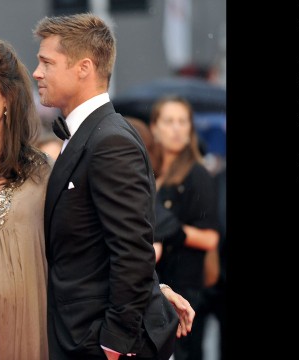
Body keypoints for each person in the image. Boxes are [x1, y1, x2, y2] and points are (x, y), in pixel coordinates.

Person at [0, 36, 193, 360]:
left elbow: (88, 250)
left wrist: (155, 291)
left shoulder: (45, 173)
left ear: (8, 97)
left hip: (24, 334)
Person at [33, 13, 184, 359]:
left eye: (46, 62)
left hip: (98, 342)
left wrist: (114, 341)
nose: (37, 72)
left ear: (83, 67)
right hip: (78, 334)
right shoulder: (92, 134)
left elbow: (132, 249)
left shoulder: (110, 141)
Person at [149, 95, 219, 360]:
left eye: (183, 121)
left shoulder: (197, 173)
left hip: (185, 286)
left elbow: (210, 238)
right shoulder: (151, 171)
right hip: (156, 283)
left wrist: (173, 231)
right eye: (169, 121)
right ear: (154, 127)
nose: (177, 128)